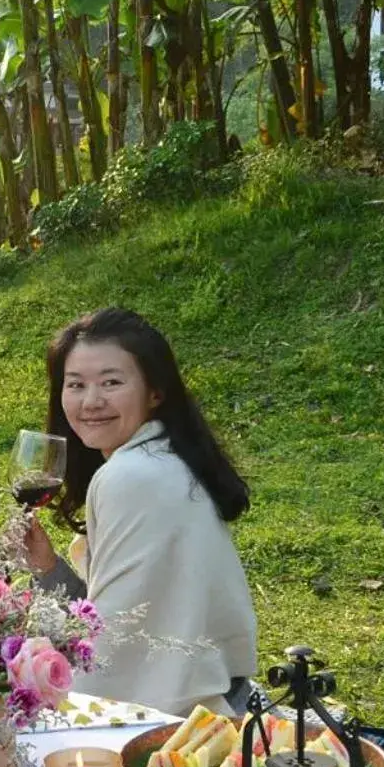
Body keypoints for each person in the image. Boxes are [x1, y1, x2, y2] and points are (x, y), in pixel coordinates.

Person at [24, 307, 257, 718]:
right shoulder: (167, 454)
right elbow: (117, 614)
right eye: (75, 384)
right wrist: (46, 567)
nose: (91, 401)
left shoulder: (130, 476)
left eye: (111, 382)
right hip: (225, 691)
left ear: (155, 391)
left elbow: (108, 652)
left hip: (184, 722)